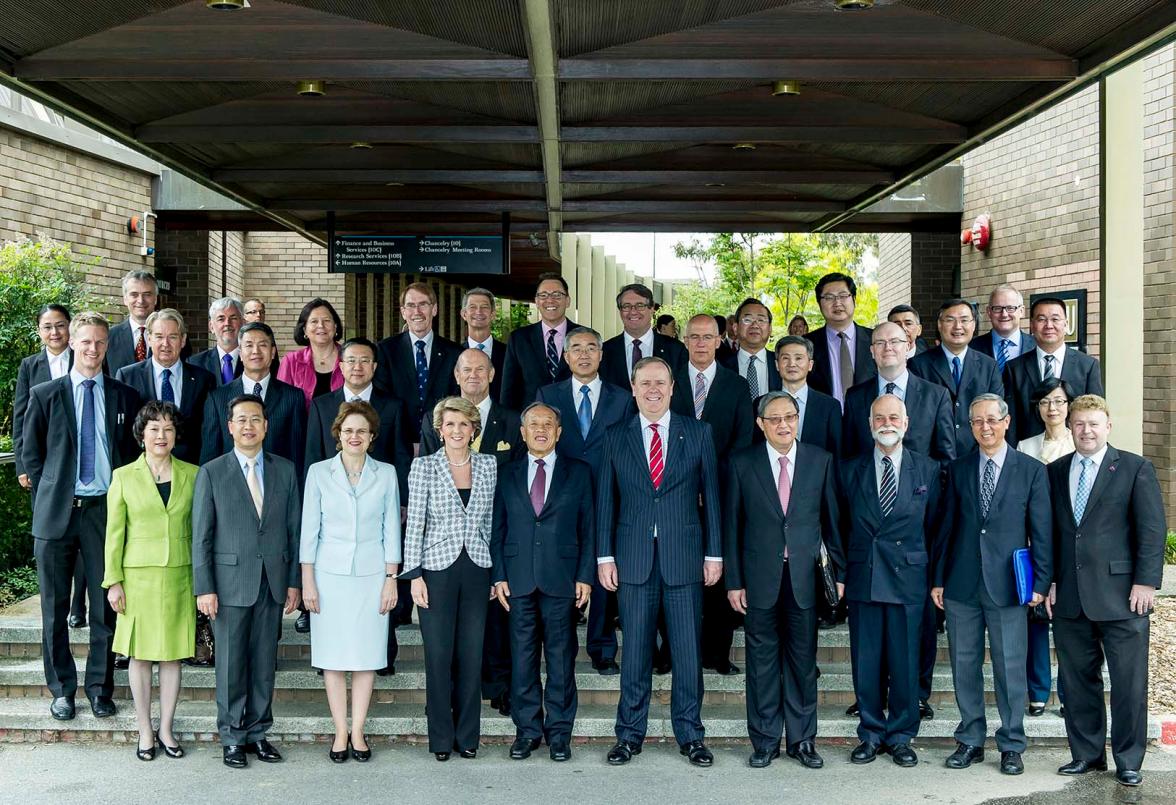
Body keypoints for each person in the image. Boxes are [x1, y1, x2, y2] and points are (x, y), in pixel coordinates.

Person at [596, 357, 722, 768]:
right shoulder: (615, 435)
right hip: (632, 561)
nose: (653, 390)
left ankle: (691, 736)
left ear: (672, 388)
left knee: (687, 654)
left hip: (684, 559)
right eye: (644, 382)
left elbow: (713, 501)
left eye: (660, 383)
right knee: (634, 654)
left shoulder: (698, 432)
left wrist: (714, 554)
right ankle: (629, 735)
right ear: (633, 388)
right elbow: (605, 502)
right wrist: (604, 555)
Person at [22, 311, 142, 721]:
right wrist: (51, 494)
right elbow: (31, 455)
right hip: (57, 514)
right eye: (86, 341)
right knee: (55, 609)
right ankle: (61, 689)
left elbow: (131, 456)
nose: (93, 349)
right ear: (72, 342)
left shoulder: (124, 395)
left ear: (107, 346)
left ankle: (99, 688)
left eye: (100, 343)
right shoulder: (45, 394)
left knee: (105, 608)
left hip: (104, 513)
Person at [1047, 395, 1166, 787]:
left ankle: (1129, 759)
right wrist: (1048, 581)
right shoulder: (1056, 471)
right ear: (1071, 427)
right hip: (1070, 597)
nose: (1086, 431)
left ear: (1108, 427)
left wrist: (1146, 581)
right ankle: (1087, 755)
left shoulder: (1134, 468)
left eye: (1094, 424)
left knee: (1129, 684)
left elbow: (1150, 530)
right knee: (1077, 683)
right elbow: (1050, 534)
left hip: (1123, 597)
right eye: (1079, 424)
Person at [932, 394, 1051, 776]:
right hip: (962, 585)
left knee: (1009, 667)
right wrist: (938, 579)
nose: (984, 427)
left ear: (1006, 422)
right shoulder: (959, 468)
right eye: (977, 422)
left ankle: (1012, 743)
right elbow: (946, 528)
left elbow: (1042, 532)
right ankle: (970, 739)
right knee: (964, 665)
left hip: (1009, 586)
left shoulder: (1030, 470)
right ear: (970, 427)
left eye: (991, 420)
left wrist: (1041, 582)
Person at [724, 391, 843, 770]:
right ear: (760, 424)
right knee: (760, 664)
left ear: (797, 419)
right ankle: (764, 741)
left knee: (802, 664)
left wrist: (837, 574)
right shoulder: (742, 463)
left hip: (805, 580)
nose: (783, 424)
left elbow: (833, 522)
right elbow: (732, 527)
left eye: (789, 416)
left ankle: (803, 740)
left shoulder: (819, 460)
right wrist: (734, 581)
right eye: (773, 418)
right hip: (758, 580)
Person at [192, 393, 302, 769]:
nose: (249, 426)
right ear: (230, 426)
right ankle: (232, 736)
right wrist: (204, 587)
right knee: (230, 664)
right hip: (228, 584)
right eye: (241, 420)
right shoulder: (211, 471)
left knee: (263, 664)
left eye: (255, 419)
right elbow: (201, 537)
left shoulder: (285, 470)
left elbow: (293, 531)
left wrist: (293, 582)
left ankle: (258, 733)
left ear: (266, 425)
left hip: (271, 582)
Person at [420, 348, 522, 715]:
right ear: (457, 375)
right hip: (446, 548)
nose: (474, 374)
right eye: (467, 369)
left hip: (498, 536)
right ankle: (451, 696)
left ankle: (497, 685)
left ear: (493, 374)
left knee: (495, 622)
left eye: (481, 368)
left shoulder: (512, 421)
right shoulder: (437, 421)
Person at [840, 394, 940, 768]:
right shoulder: (849, 469)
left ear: (906, 423)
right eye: (879, 417)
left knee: (905, 661)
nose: (887, 423)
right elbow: (839, 526)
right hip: (863, 574)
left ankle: (900, 736)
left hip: (909, 578)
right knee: (865, 662)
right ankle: (869, 733)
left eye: (894, 417)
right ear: (869, 424)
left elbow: (935, 528)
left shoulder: (928, 470)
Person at [491, 402, 594, 762]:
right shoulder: (506, 473)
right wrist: (498, 574)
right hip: (517, 580)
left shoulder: (578, 473)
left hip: (562, 579)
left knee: (561, 658)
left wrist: (585, 575)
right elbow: (497, 529)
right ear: (522, 432)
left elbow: (588, 529)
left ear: (558, 431)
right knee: (522, 659)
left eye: (547, 424)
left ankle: (560, 733)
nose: (540, 429)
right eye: (533, 423)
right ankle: (527, 731)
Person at [300, 401, 401, 763]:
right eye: (348, 431)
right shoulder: (318, 472)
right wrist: (307, 580)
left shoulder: (386, 474)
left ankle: (358, 730)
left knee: (366, 656)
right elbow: (309, 529)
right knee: (333, 658)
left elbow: (392, 528)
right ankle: (339, 730)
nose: (354, 436)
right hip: (329, 576)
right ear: (338, 435)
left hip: (372, 576)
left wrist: (392, 578)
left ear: (372, 436)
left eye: (361, 431)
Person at [304, 336, 412, 672]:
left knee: (378, 602)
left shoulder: (393, 405)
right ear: (340, 364)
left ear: (374, 367)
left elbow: (401, 456)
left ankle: (382, 658)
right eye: (351, 360)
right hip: (332, 522)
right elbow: (312, 453)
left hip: (376, 515)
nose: (357, 366)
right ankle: (330, 661)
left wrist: (403, 504)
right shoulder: (322, 405)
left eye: (365, 360)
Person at [401, 397, 497, 761]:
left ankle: (468, 736)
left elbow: (489, 521)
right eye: (450, 425)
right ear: (439, 430)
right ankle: (441, 738)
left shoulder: (489, 466)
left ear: (475, 429)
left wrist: (493, 573)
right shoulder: (424, 466)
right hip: (436, 570)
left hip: (477, 568)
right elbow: (416, 526)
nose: (457, 431)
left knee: (471, 656)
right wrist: (414, 577)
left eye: (464, 424)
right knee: (438, 656)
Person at [102, 401, 197, 760]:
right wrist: (113, 581)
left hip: (179, 576)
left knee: (172, 657)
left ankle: (167, 729)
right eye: (154, 428)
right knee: (140, 657)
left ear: (176, 436)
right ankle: (144, 729)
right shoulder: (123, 476)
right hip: (136, 579)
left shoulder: (194, 474)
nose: (162, 434)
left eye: (169, 428)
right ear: (141, 434)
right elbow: (114, 534)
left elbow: (200, 531)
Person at [536, 326, 631, 675]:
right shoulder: (548, 394)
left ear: (602, 354)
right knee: (565, 566)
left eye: (592, 347)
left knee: (605, 568)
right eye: (576, 348)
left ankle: (603, 647)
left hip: (610, 494)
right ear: (565, 355)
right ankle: (562, 647)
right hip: (561, 497)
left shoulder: (622, 398)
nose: (584, 354)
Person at [670, 313, 754, 675]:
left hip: (720, 495)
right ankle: (671, 653)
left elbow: (743, 440)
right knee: (675, 573)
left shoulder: (736, 386)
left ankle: (717, 652)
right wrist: (689, 485)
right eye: (694, 337)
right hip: (675, 495)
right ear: (685, 341)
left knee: (719, 573)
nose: (701, 343)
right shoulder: (669, 383)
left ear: (721, 340)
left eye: (708, 337)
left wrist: (713, 488)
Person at [14, 305, 86, 627]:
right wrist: (23, 466)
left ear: (70, 328)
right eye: (47, 327)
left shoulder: (83, 358)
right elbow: (20, 418)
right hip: (45, 470)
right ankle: (57, 602)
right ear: (39, 330)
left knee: (85, 542)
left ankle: (78, 606)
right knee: (52, 537)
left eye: (60, 326)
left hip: (81, 465)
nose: (55, 333)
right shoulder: (30, 366)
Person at [1017, 378, 1076, 717]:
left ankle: (1069, 693)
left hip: (1070, 545)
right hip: (1034, 542)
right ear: (1037, 408)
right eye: (1044, 402)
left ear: (1068, 406)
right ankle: (1038, 691)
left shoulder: (1079, 442)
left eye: (1058, 401)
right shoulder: (1025, 446)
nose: (1051, 408)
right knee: (1036, 618)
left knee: (1068, 622)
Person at [200, 321, 306, 474]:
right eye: (249, 345)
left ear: (273, 352)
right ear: (240, 353)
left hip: (276, 487)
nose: (255, 351)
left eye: (262, 345)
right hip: (230, 488)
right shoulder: (217, 398)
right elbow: (209, 457)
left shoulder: (293, 397)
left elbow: (297, 454)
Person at [842, 322, 955, 464]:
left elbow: (945, 459)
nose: (887, 347)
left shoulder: (936, 397)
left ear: (907, 347)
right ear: (872, 351)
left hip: (921, 485)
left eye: (894, 341)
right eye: (880, 343)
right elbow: (848, 456)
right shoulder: (855, 397)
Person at [115, 309, 215, 465]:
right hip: (143, 471)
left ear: (182, 340)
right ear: (149, 339)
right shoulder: (128, 377)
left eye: (172, 337)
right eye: (159, 337)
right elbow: (123, 433)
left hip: (190, 470)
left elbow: (209, 432)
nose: (165, 344)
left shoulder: (204, 379)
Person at [909, 298, 1004, 458]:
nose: (958, 326)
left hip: (977, 457)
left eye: (964, 320)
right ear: (940, 325)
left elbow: (997, 413)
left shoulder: (989, 366)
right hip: (933, 459)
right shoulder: (918, 365)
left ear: (973, 325)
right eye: (950, 320)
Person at [1003, 297, 1104, 443]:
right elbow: (1011, 420)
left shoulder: (1088, 366)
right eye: (1041, 319)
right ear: (1032, 325)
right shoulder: (1014, 368)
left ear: (1066, 324)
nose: (1049, 325)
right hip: (1028, 451)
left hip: (1073, 450)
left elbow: (1095, 413)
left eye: (1055, 319)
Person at [374, 282, 461, 444]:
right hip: (397, 443)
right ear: (403, 312)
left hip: (442, 443)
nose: (417, 312)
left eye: (423, 304)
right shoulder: (385, 351)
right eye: (411, 305)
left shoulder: (454, 353)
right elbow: (383, 400)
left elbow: (457, 400)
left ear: (434, 309)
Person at [500, 273, 577, 409]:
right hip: (532, 422)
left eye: (557, 295)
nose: (550, 300)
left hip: (574, 420)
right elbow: (508, 389)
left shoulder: (584, 336)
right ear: (536, 301)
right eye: (543, 295)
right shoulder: (519, 339)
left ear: (568, 301)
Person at [804, 272, 876, 407]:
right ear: (819, 304)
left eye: (843, 296)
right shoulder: (806, 344)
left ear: (854, 299)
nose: (837, 303)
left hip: (867, 421)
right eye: (829, 297)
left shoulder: (876, 339)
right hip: (824, 423)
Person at [600, 284, 688, 389]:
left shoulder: (676, 350)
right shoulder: (604, 352)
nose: (633, 311)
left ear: (652, 309)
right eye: (626, 306)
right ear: (620, 311)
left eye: (640, 305)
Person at [774, 336, 841, 456]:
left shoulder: (830, 406)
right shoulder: (762, 403)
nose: (792, 364)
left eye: (798, 358)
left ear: (810, 365)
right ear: (777, 365)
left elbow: (836, 453)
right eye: (785, 358)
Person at [276, 297, 344, 411]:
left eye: (327, 320)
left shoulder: (349, 359)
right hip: (302, 428)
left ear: (335, 326)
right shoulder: (291, 361)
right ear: (305, 330)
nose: (321, 325)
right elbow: (282, 405)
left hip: (344, 427)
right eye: (314, 321)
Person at [720, 298, 781, 402]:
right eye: (747, 320)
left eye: (761, 320)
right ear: (735, 328)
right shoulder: (721, 367)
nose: (755, 325)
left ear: (770, 329)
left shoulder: (782, 363)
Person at [969, 284, 1036, 372]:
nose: (1004, 314)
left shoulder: (1037, 345)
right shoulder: (971, 347)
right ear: (989, 312)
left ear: (1021, 311)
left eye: (1010, 308)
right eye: (997, 308)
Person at [105, 270, 159, 375]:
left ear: (155, 299)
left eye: (147, 294)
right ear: (125, 299)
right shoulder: (109, 337)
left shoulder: (173, 337)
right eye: (134, 295)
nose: (141, 300)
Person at [461, 287, 506, 401]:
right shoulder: (454, 354)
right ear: (464, 314)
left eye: (484, 307)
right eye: (472, 307)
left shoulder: (508, 353)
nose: (478, 311)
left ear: (493, 314)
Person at [188, 297, 244, 386]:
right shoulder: (195, 363)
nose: (227, 323)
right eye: (221, 319)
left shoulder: (253, 361)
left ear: (243, 323)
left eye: (233, 318)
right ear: (211, 327)